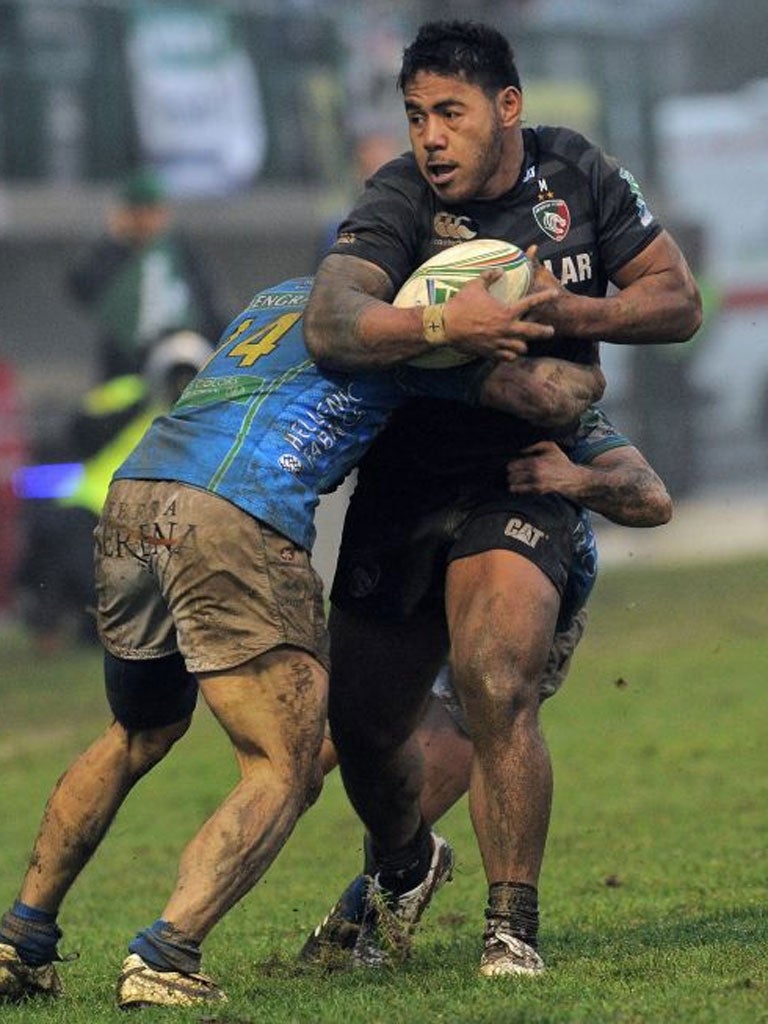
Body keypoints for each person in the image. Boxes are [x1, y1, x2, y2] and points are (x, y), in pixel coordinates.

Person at [0, 274, 601, 1009]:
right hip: (237, 506)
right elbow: (536, 396)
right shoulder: (408, 323)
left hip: (136, 495)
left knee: (138, 729)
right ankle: (166, 954)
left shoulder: (286, 294)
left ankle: (22, 938)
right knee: (283, 765)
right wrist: (578, 361)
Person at [301, 19, 702, 977]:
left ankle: (510, 927)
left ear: (507, 108)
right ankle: (404, 864)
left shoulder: (581, 177)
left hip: (522, 474)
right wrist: (448, 320)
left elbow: (677, 301)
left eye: (450, 112)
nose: (430, 136)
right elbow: (329, 322)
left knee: (494, 682)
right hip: (404, 480)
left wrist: (570, 312)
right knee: (360, 731)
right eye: (415, 116)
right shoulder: (397, 199)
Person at [301, 410, 673, 965]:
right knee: (353, 739)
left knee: (484, 708)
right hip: (417, 572)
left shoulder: (542, 402)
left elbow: (651, 498)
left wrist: (574, 478)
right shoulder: (401, 394)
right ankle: (383, 889)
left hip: (522, 587)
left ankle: (503, 929)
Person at [15, 330, 214, 651]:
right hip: (92, 506)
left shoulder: (204, 419)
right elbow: (81, 426)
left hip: (152, 520)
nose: (180, 385)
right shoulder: (131, 393)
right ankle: (50, 628)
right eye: (175, 375)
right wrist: (139, 402)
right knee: (69, 561)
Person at [67, 168, 225, 381]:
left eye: (155, 211)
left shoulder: (180, 250)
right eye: (140, 213)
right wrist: (116, 242)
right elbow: (82, 287)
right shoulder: (113, 255)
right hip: (128, 371)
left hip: (183, 365)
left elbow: (208, 306)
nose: (148, 221)